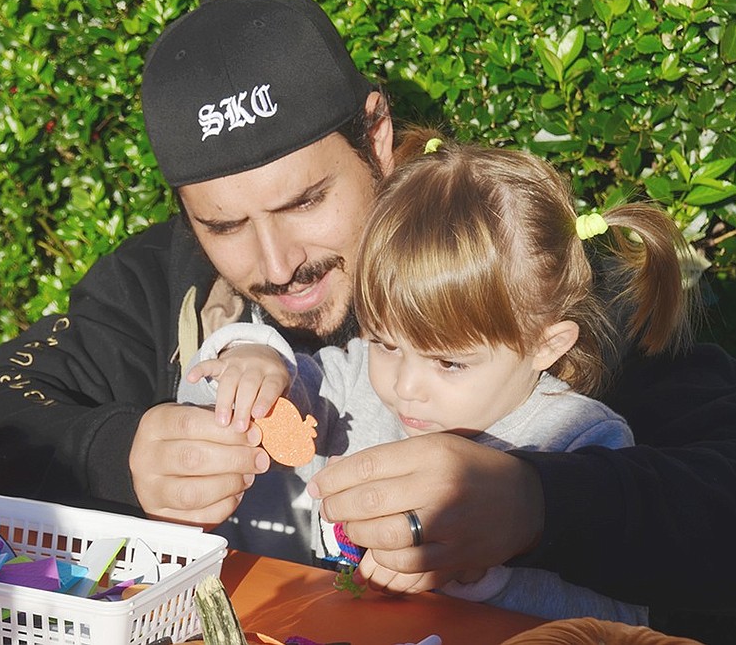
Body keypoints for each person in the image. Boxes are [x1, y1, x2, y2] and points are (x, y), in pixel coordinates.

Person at [0, 0, 736, 620]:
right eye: (224, 223)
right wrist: (115, 451)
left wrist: (539, 503)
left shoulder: (510, 274)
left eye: (304, 201)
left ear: (377, 136)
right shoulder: (155, 281)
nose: (276, 265)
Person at [179, 130, 699, 624]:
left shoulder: (580, 442)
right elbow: (261, 391)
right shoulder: (354, 381)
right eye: (385, 341)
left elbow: (619, 618)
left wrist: (479, 577)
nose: (405, 385)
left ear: (547, 344)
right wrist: (250, 355)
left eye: (449, 362)